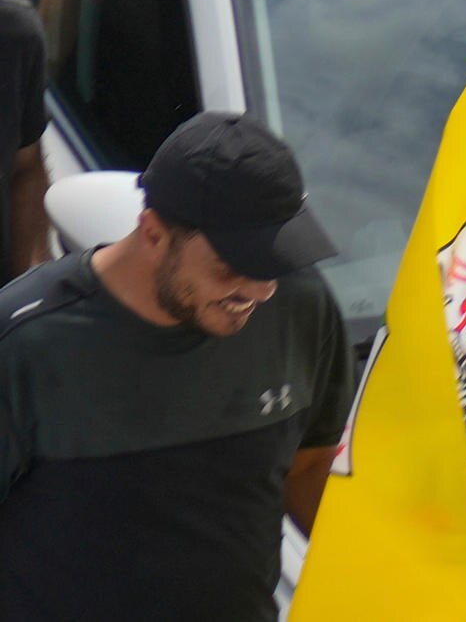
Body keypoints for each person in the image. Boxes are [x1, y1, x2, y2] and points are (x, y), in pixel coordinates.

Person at [0, 112, 352, 616]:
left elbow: (310, 465)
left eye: (273, 261)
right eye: (232, 267)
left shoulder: (299, 304)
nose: (259, 291)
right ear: (152, 233)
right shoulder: (24, 342)